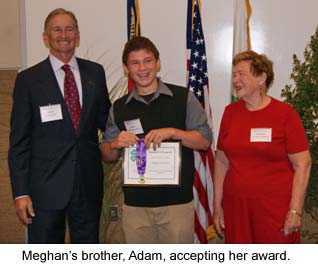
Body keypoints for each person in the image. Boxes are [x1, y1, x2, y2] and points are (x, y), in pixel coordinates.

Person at [8, 8, 111, 243]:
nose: (63, 34)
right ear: (46, 37)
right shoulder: (28, 80)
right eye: (57, 29)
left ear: (77, 35)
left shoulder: (95, 72)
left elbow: (107, 121)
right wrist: (21, 192)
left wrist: (136, 133)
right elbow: (19, 143)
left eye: (69, 29)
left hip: (87, 184)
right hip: (45, 188)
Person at [100, 36, 212, 243]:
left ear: (157, 63)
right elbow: (107, 154)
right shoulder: (119, 107)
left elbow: (205, 140)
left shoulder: (183, 98)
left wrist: (173, 132)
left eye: (148, 60)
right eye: (135, 63)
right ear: (126, 69)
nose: (142, 68)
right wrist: (115, 144)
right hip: (136, 208)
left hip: (176, 206)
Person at [213, 50, 312, 244]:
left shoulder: (285, 114)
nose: (235, 80)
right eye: (234, 74)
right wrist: (217, 205)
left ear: (261, 78)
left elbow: (304, 164)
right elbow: (221, 161)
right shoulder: (230, 113)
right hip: (236, 208)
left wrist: (295, 210)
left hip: (274, 210)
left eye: (242, 74)